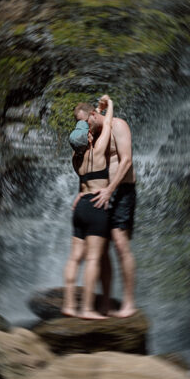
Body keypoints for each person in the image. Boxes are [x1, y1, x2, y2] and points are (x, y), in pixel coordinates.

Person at [61, 95, 114, 319]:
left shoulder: (76, 158)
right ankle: (87, 309)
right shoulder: (99, 152)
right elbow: (108, 124)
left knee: (74, 258)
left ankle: (69, 305)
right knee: (93, 259)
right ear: (90, 138)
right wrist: (108, 106)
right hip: (96, 205)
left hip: (80, 206)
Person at [88, 99, 137, 318]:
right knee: (101, 249)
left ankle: (129, 303)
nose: (83, 127)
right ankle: (105, 302)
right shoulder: (95, 134)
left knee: (120, 244)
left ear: (93, 113)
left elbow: (126, 161)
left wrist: (110, 190)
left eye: (85, 122)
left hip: (121, 191)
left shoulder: (118, 125)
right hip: (100, 193)